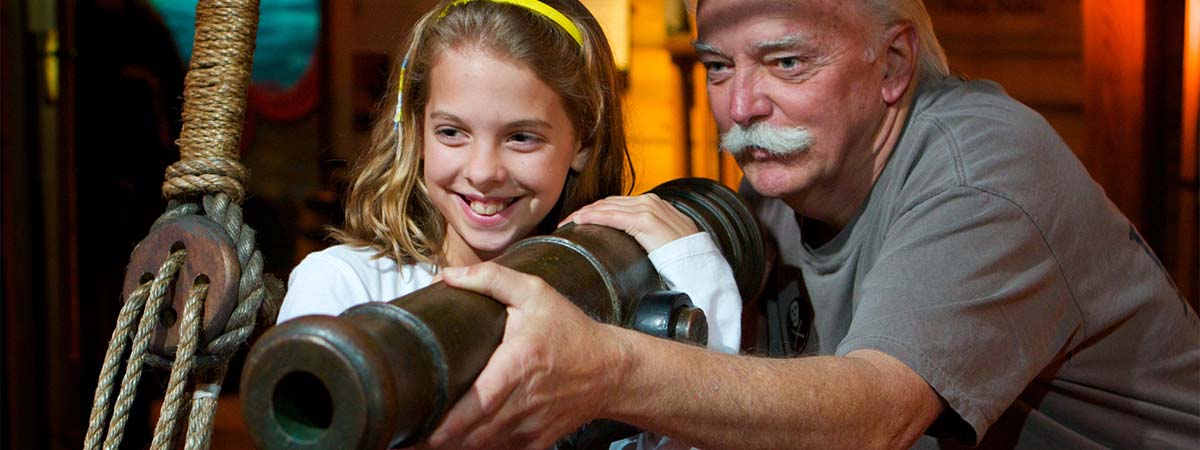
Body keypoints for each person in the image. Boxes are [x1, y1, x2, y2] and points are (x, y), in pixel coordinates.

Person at [419, 0, 1200, 449]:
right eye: (719, 67)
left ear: (893, 66)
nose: (742, 105)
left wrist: (606, 369)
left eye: (787, 63)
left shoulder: (981, 172)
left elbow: (873, 416)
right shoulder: (783, 186)